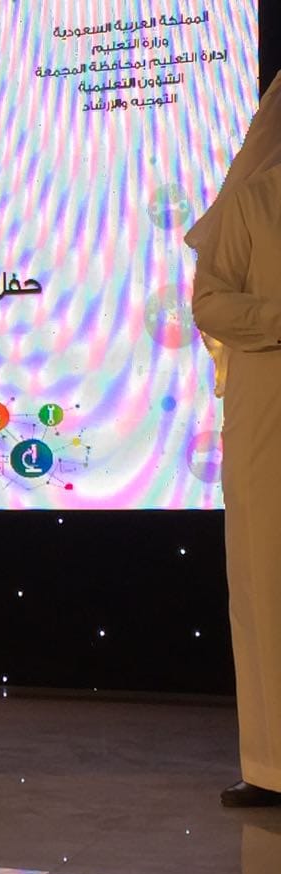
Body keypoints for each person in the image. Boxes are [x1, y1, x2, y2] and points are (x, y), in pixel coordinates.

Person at [186, 71, 281, 808]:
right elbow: (211, 302)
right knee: (265, 579)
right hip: (266, 418)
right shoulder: (255, 201)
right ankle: (271, 765)